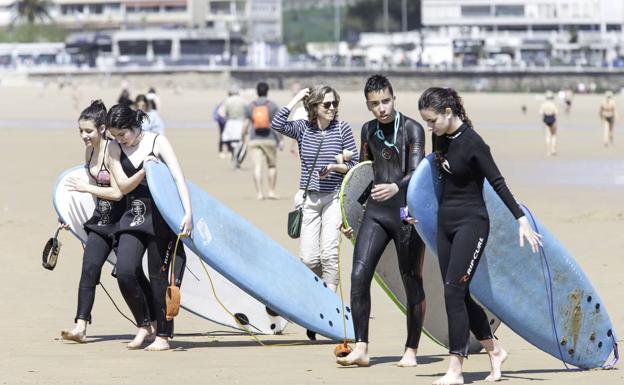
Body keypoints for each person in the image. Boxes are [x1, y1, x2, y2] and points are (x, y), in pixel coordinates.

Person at [418, 87, 541, 385]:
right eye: (426, 122)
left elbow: (499, 183)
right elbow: (433, 181)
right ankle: (494, 350)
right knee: (458, 292)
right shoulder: (440, 138)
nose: (429, 127)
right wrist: (416, 211)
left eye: (432, 120)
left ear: (448, 113)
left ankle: (455, 369)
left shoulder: (474, 144)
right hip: (445, 223)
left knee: (451, 292)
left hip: (472, 225)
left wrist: (521, 220)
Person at [337, 75, 426, 367]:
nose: (381, 108)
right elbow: (363, 174)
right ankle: (361, 347)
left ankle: (411, 349)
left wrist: (396, 187)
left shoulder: (412, 129)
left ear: (394, 98)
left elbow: (418, 172)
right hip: (375, 212)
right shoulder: (368, 130)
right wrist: (350, 212)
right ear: (368, 105)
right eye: (375, 104)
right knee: (359, 274)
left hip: (405, 214)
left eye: (385, 101)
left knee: (410, 279)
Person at [272, 85, 359, 338]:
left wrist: (335, 167)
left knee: (329, 254)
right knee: (309, 258)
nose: (332, 108)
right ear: (314, 107)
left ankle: (326, 309)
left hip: (334, 198)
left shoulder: (342, 129)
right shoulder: (303, 128)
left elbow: (354, 164)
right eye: (326, 105)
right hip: (309, 199)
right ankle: (318, 297)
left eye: (334, 104)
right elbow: (278, 123)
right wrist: (298, 96)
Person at [107, 104, 193, 351]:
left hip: (160, 215)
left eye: (122, 134)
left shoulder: (158, 142)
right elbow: (123, 187)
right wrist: (145, 169)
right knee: (125, 271)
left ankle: (163, 336)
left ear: (134, 125)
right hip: (132, 214)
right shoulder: (114, 148)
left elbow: (178, 177)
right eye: (114, 136)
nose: (119, 140)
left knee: (158, 278)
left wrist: (188, 213)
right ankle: (144, 324)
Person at [60, 100, 127, 343]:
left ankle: (151, 323)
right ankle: (80, 326)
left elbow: (118, 192)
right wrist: (74, 221)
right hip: (101, 220)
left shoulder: (113, 150)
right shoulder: (89, 151)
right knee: (89, 269)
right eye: (80, 131)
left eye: (88, 131)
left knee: (130, 275)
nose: (84, 136)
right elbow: (93, 192)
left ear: (101, 128)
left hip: (124, 221)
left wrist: (87, 187)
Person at [241, 82, 282, 200]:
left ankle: (259, 193)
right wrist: (280, 140)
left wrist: (243, 136)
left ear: (257, 91)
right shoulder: (272, 106)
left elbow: (245, 123)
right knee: (272, 166)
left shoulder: (250, 106)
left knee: (257, 167)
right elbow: (278, 125)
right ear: (267, 91)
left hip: (254, 140)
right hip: (270, 139)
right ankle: (271, 191)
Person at [222, 85, 248, 167]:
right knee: (240, 142)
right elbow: (248, 113)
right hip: (240, 122)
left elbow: (224, 113)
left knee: (232, 141)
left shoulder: (227, 100)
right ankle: (238, 159)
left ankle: (234, 157)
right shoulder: (244, 101)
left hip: (230, 122)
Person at [539, 91, 559, 156]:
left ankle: (548, 151)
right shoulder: (553, 104)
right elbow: (557, 112)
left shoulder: (543, 104)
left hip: (546, 119)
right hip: (552, 119)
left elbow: (541, 113)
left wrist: (543, 118)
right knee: (553, 135)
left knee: (547, 136)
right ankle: (553, 149)